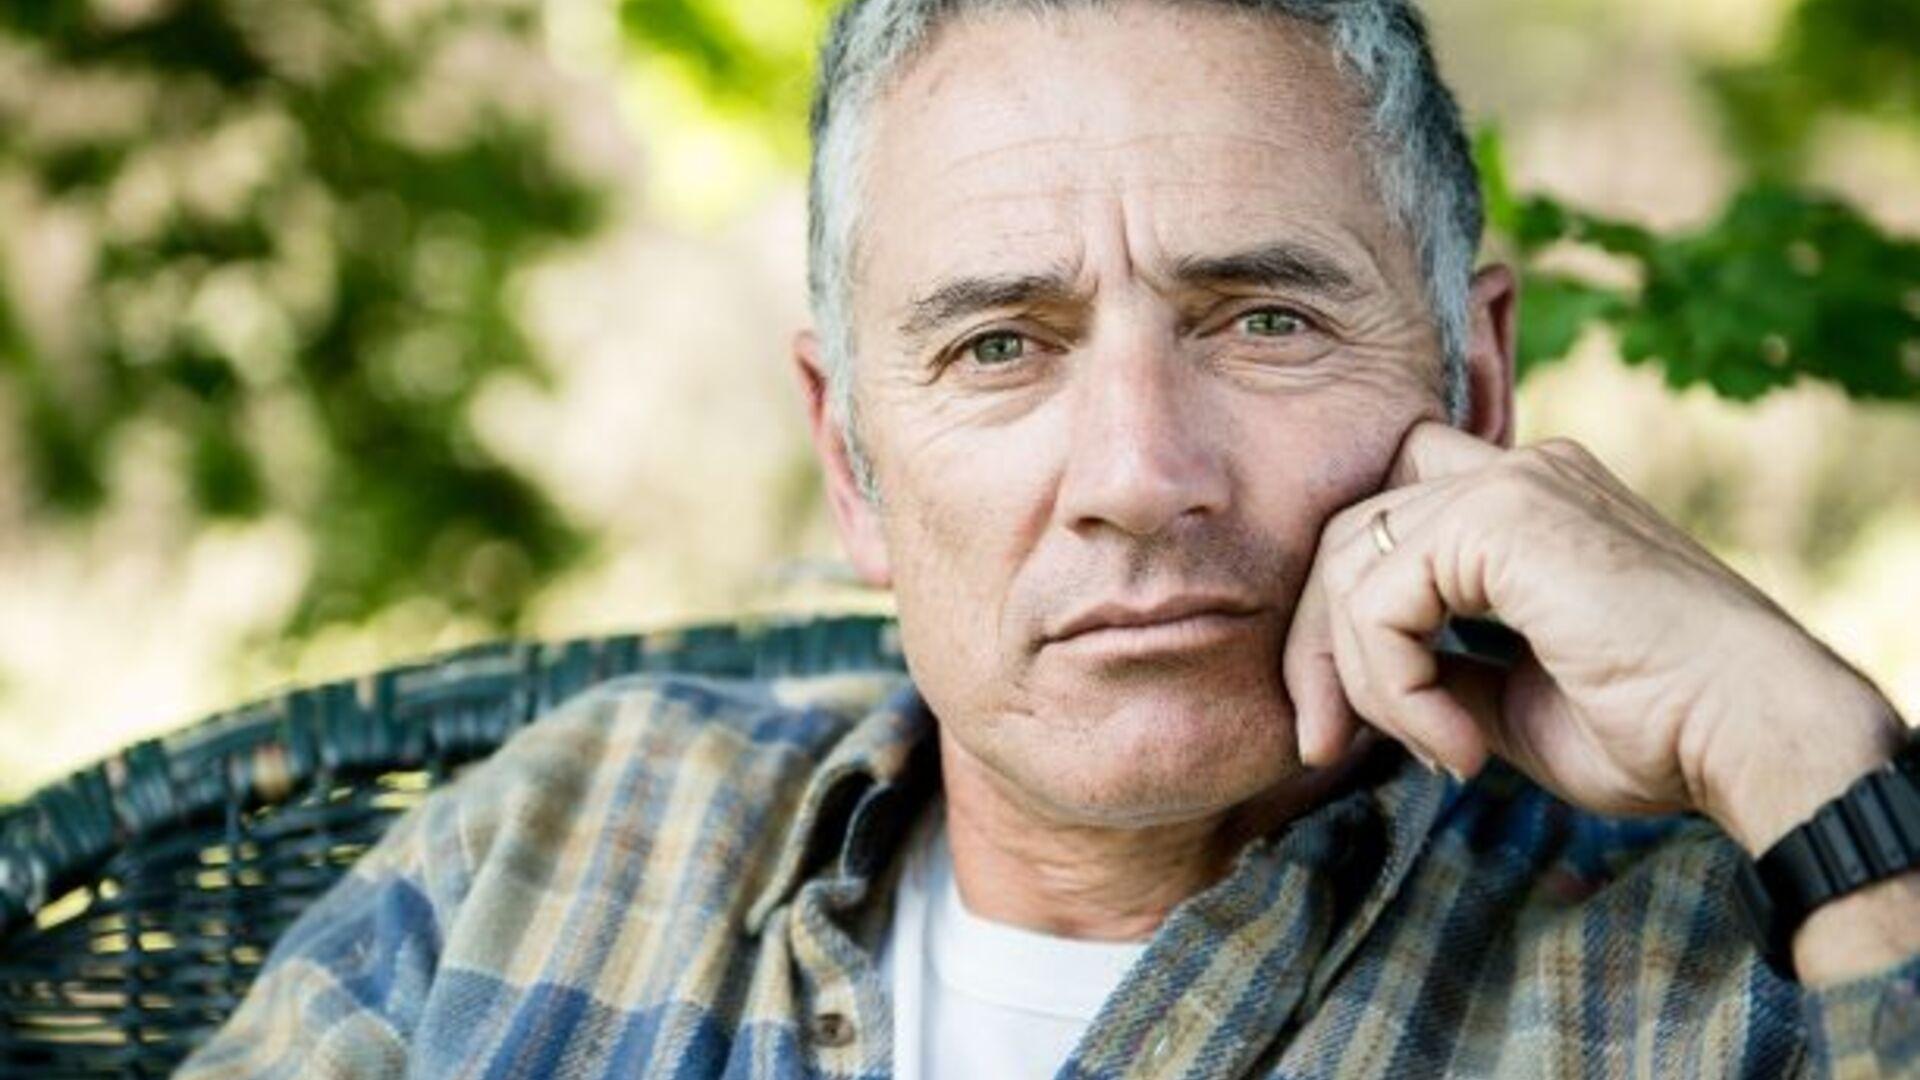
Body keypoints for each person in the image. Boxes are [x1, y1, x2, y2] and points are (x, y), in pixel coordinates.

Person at [179, 0, 1920, 1076]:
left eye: (1263, 321)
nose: (1140, 474)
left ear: (1471, 384)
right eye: (1001, 346)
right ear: (851, 462)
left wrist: (1815, 762)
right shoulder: (567, 833)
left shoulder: (1765, 962)